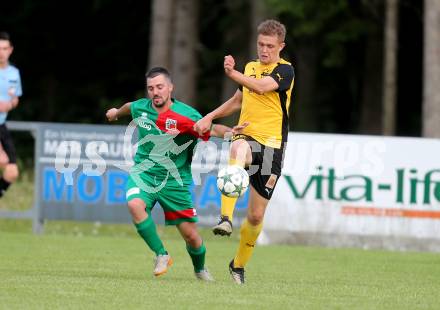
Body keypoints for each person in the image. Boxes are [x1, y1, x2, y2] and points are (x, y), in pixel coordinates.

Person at [106, 67, 237, 281]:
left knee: (191, 237)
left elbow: (211, 129)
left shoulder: (186, 115)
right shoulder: (142, 107)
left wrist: (232, 133)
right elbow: (130, 107)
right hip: (144, 174)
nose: (155, 92)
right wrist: (115, 113)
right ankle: (161, 254)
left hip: (175, 181)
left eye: (159, 87)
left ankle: (200, 269)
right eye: (151, 88)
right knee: (134, 204)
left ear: (170, 88)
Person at [194, 19, 295, 284]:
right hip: (248, 135)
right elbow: (239, 100)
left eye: (270, 46)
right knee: (238, 147)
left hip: (273, 147)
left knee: (255, 216)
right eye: (261, 44)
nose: (264, 50)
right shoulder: (250, 67)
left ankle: (237, 265)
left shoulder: (286, 70)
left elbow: (261, 88)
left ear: (280, 46)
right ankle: (225, 218)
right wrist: (210, 116)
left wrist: (232, 73)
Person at [0, 32, 22, 198]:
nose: (1, 52)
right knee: (2, 160)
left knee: (12, 171)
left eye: (4, 48)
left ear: (11, 50)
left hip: (2, 125)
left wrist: (10, 104)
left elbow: (15, 99)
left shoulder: (14, 73)